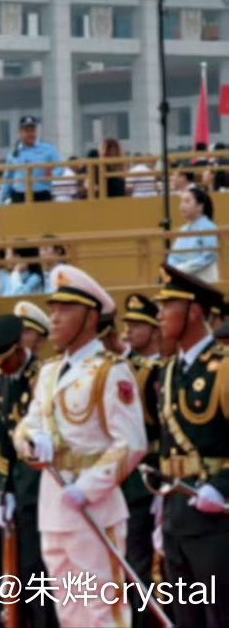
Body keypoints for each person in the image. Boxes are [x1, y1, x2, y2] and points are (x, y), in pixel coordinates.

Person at [12, 266, 147, 628]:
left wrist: (87, 489)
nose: (54, 318)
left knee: (103, 613)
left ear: (89, 317)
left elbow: (132, 444)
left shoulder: (110, 371)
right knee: (69, 613)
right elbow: (28, 422)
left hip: (94, 508)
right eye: (52, 309)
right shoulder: (50, 371)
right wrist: (29, 444)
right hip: (54, 505)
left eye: (64, 310)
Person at [151, 265, 229, 625]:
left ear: (194, 311)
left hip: (215, 517)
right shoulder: (168, 371)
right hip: (177, 512)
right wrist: (160, 509)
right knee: (185, 617)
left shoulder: (224, 368)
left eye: (168, 306)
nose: (160, 314)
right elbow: (168, 447)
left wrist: (221, 487)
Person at [0, 313, 51, 628]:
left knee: (44, 572)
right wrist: (3, 491)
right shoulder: (3, 381)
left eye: (3, 360)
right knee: (25, 569)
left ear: (18, 349)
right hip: (21, 489)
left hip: (45, 486)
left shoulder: (41, 376)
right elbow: (6, 440)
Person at [118, 292, 162, 614]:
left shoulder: (164, 368)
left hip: (161, 470)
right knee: (133, 563)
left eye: (136, 325)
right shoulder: (123, 369)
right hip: (131, 476)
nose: (128, 331)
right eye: (127, 325)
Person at [0, 115, 62, 204]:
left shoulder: (48, 149)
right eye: (27, 131)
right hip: (19, 196)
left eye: (33, 130)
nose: (30, 134)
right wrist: (0, 202)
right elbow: (8, 179)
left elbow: (60, 167)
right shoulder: (14, 154)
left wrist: (52, 175)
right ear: (20, 133)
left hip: (41, 195)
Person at [167, 186, 219, 283]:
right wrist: (171, 269)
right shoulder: (183, 229)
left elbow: (209, 256)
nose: (182, 205)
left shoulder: (208, 227)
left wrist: (182, 269)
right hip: (182, 278)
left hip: (203, 279)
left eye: (187, 201)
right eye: (181, 201)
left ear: (200, 206)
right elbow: (173, 256)